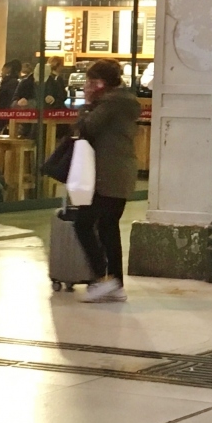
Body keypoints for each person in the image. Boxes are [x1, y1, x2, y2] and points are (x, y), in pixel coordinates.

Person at [74, 58, 139, 303]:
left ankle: (103, 279)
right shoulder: (125, 101)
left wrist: (87, 104)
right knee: (108, 227)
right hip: (121, 173)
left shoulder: (110, 104)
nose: (87, 86)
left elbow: (86, 127)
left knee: (83, 223)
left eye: (90, 82)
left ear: (100, 83)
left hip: (107, 175)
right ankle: (116, 283)